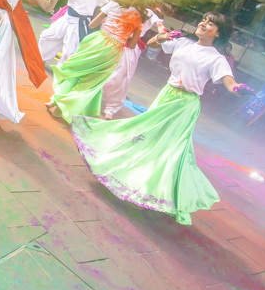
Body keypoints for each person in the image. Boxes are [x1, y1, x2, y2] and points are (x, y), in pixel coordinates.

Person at [71, 13, 250, 225]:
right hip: (167, 94)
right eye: (203, 20)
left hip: (185, 105)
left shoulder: (217, 58)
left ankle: (160, 192)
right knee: (147, 135)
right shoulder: (183, 42)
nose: (203, 24)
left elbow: (229, 82)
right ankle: (132, 177)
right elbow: (151, 42)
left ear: (218, 33)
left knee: (170, 149)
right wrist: (162, 38)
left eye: (210, 23)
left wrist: (238, 89)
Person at [47, 0, 149, 121]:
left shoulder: (112, 5)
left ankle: (55, 100)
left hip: (96, 41)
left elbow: (92, 25)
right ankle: (62, 108)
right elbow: (131, 45)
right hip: (113, 50)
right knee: (89, 82)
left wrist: (108, 22)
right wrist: (124, 32)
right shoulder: (140, 18)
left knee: (75, 70)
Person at [39, 0, 106, 67]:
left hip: (78, 22)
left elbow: (108, 6)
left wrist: (103, 19)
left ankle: (62, 70)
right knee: (46, 36)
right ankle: (41, 59)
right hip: (66, 17)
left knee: (69, 51)